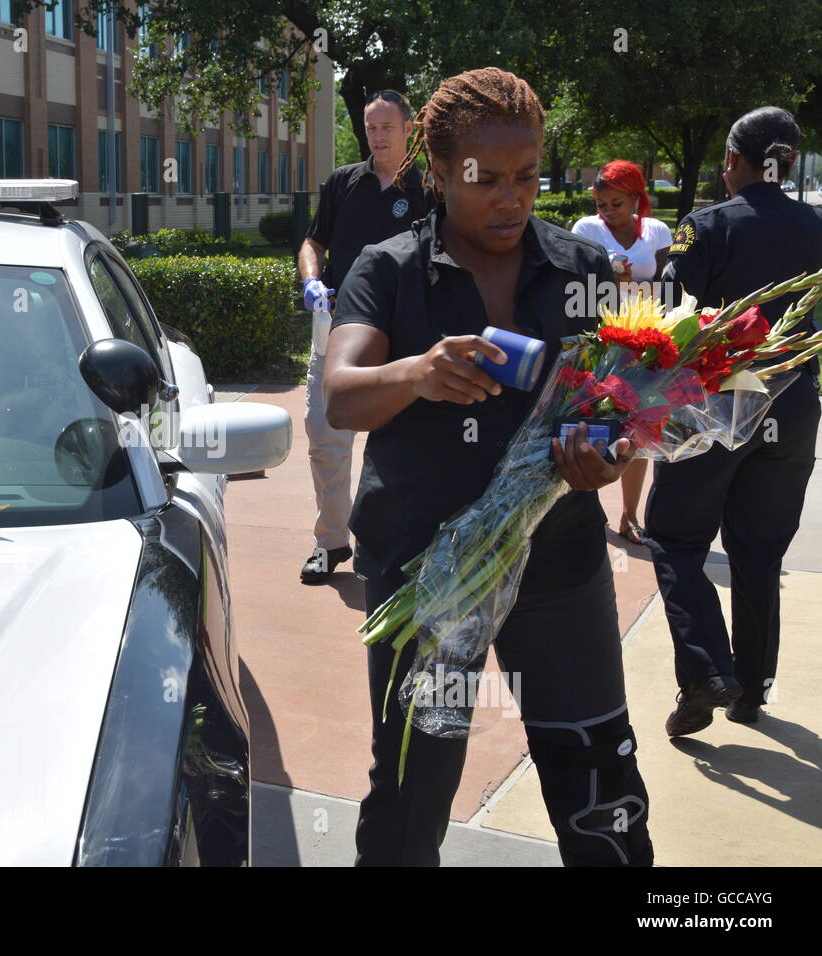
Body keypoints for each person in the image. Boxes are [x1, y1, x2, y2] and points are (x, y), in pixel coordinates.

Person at [325, 67, 653, 866]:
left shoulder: (580, 272)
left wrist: (604, 460)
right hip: (428, 581)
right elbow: (341, 395)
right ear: (436, 174)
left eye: (529, 176)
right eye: (485, 179)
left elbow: (617, 410)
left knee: (600, 789)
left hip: (559, 572)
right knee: (413, 789)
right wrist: (416, 373)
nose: (511, 198)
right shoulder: (389, 269)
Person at [646, 106, 822, 734]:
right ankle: (750, 689)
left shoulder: (706, 225)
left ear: (733, 161)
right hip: (795, 402)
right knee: (758, 553)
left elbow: (664, 314)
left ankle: (703, 673)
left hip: (718, 402)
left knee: (673, 536)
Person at [296, 90, 432, 584]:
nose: (377, 136)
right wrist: (312, 279)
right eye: (371, 128)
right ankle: (331, 542)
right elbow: (314, 241)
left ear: (409, 130)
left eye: (386, 127)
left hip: (405, 327)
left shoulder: (428, 185)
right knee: (324, 431)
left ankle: (409, 543)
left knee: (406, 437)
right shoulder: (343, 183)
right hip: (336, 322)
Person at [571, 160, 673, 544]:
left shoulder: (658, 232)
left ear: (636, 197)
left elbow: (667, 289)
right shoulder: (586, 229)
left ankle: (629, 516)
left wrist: (631, 290)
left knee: (640, 429)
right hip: (600, 339)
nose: (608, 212)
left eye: (616, 203)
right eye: (601, 204)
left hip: (645, 343)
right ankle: (583, 513)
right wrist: (614, 285)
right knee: (590, 423)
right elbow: (576, 288)